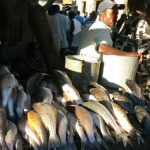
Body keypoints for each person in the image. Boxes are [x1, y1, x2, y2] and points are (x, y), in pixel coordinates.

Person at [74, 0, 143, 62]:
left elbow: (75, 42)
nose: (116, 16)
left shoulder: (90, 27)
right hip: (92, 71)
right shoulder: (102, 29)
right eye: (112, 13)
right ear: (102, 14)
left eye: (117, 13)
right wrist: (129, 55)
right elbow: (102, 48)